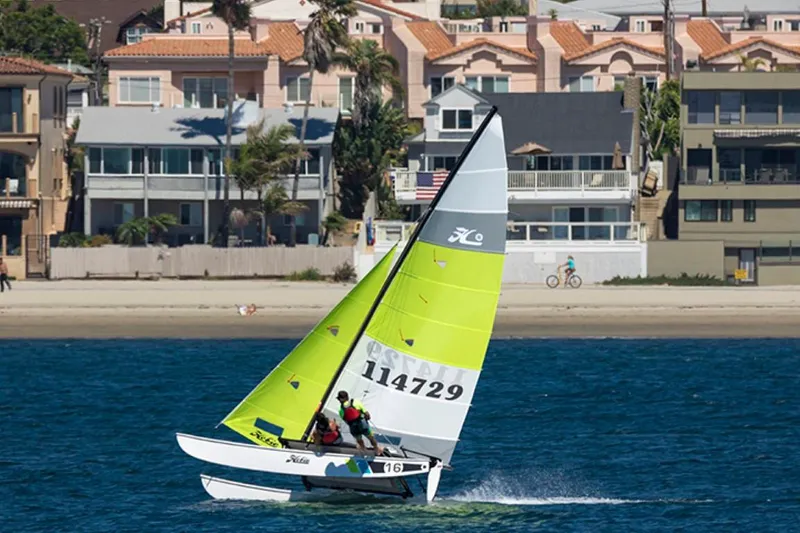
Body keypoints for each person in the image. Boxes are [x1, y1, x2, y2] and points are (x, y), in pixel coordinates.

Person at [337, 391, 384, 455]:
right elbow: (367, 414)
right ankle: (376, 449)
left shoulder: (340, 410)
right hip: (362, 424)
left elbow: (346, 421)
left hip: (353, 427)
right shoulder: (356, 402)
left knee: (359, 440)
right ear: (347, 397)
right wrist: (366, 418)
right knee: (371, 437)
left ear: (339, 400)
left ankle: (364, 450)